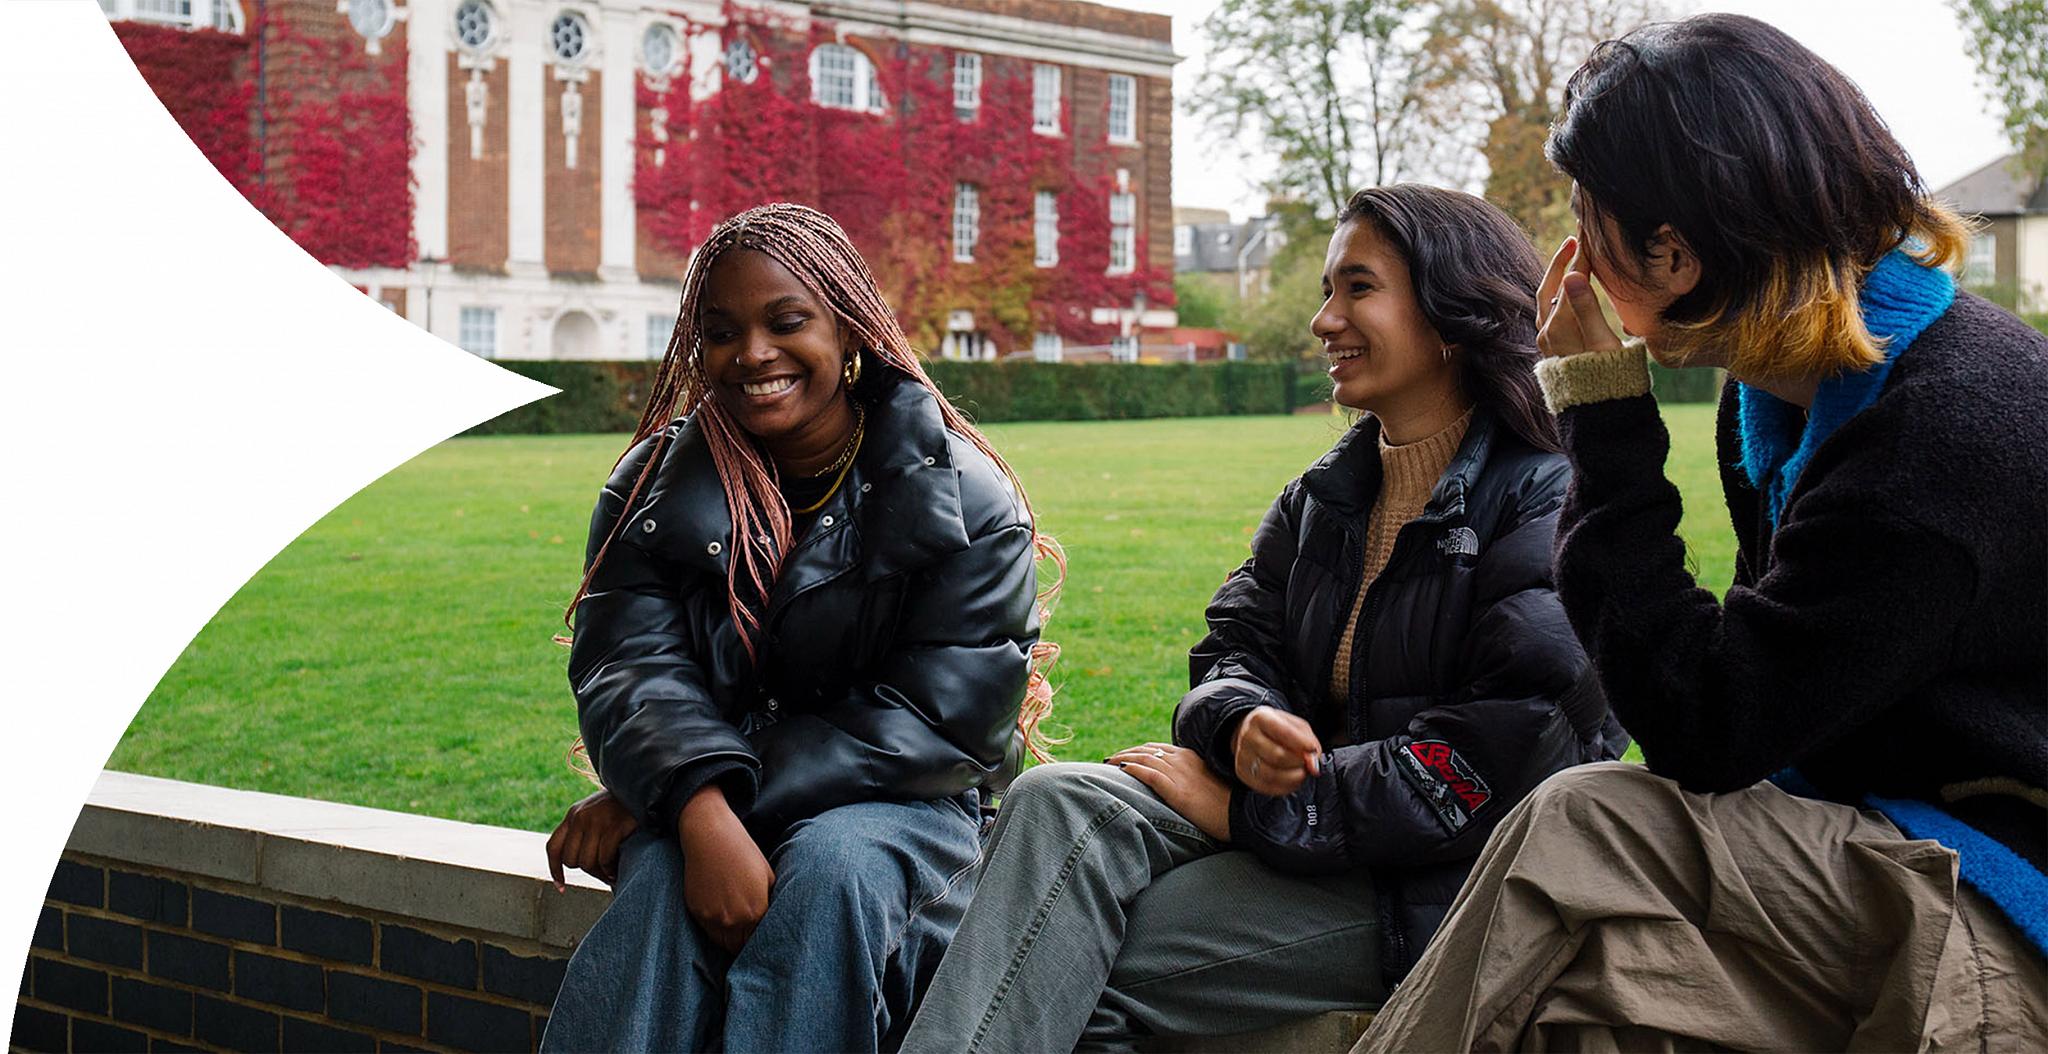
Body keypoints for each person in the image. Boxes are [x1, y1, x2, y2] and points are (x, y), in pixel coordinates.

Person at [1355, 14, 2048, 1052]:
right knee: (1584, 997)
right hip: (1862, 846)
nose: (1571, 249)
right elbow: (1745, 691)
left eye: (1584, 216)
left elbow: (1706, 726)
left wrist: (1600, 412)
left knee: (1586, 821)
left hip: (1998, 904)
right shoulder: (1777, 396)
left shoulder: (1937, 435)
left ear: (1670, 254)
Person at [900, 184, 1628, 1054]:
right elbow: (1233, 648)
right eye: (1328, 290)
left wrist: (1248, 815)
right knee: (1056, 796)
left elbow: (1478, 769)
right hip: (1314, 837)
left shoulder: (1549, 502)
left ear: (1449, 315)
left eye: (1358, 288)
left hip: (1440, 890)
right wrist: (1242, 723)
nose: (1324, 320)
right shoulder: (1326, 497)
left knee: (1059, 957)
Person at [536, 203, 1058, 1053]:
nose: (752, 355)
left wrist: (689, 797)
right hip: (723, 796)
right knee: (663, 877)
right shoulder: (652, 490)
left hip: (907, 809)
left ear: (847, 329)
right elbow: (628, 668)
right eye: (721, 332)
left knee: (834, 873)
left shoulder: (960, 497)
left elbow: (937, 726)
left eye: (787, 321)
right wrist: (694, 812)